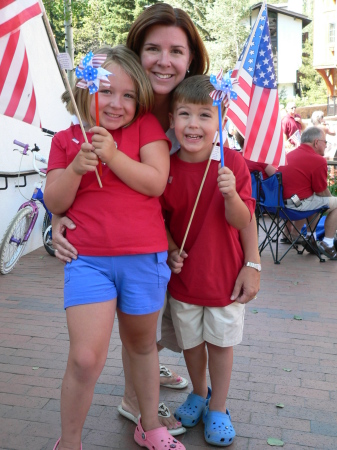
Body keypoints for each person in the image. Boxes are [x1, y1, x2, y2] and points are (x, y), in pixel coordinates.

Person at [51, 2, 261, 434]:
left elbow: (234, 197)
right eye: (153, 48)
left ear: (191, 59)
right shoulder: (105, 109)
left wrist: (253, 261)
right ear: (135, 53)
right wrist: (60, 217)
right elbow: (68, 176)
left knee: (161, 333)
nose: (165, 61)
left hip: (179, 253)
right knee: (155, 331)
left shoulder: (198, 103)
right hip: (144, 247)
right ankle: (136, 402)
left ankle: (163, 393)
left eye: (177, 51)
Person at [45, 45, 186, 450]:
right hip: (88, 260)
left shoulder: (145, 130)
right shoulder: (66, 140)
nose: (116, 103)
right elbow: (55, 201)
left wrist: (112, 155)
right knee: (85, 357)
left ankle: (150, 426)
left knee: (142, 346)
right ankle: (69, 441)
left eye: (128, 95)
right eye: (106, 92)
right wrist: (76, 167)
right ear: (84, 89)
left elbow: (155, 181)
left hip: (144, 259)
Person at [161, 75, 256, 447]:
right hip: (184, 280)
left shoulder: (232, 162)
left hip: (223, 278)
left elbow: (243, 219)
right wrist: (171, 246)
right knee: (191, 343)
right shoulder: (166, 167)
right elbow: (161, 217)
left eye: (205, 115)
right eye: (185, 114)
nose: (194, 124)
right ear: (172, 120)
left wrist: (231, 194)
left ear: (220, 118)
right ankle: (198, 393)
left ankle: (219, 406)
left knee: (220, 344)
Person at [278, 126, 337, 260]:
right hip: (296, 207)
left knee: (315, 200)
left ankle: (311, 239)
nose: (326, 145)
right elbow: (322, 192)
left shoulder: (289, 155)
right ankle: (327, 243)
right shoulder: (318, 160)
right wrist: (332, 200)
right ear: (316, 142)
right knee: (334, 203)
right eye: (325, 142)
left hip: (280, 207)